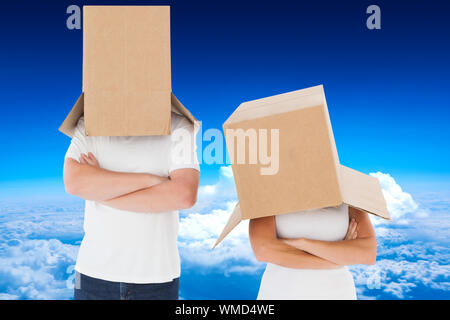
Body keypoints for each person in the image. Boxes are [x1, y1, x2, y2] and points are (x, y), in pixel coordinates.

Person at [63, 113, 200, 300]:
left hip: (157, 279)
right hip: (92, 275)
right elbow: (74, 183)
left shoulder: (179, 125)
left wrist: (102, 191)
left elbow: (184, 196)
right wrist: (152, 180)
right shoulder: (89, 123)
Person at [249, 204, 377, 300]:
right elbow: (263, 249)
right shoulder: (267, 190)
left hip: (337, 293)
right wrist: (335, 260)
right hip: (280, 292)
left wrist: (304, 243)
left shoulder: (348, 192)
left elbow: (368, 253)